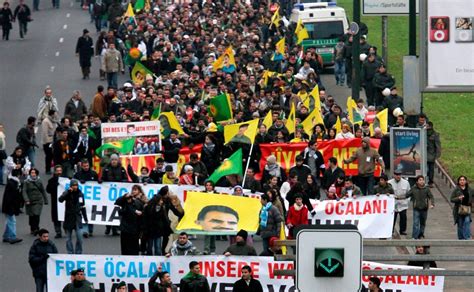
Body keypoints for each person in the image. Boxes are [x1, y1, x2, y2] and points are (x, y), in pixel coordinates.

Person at [58, 179, 88, 254]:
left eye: (76, 185)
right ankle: (70, 252)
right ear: (71, 186)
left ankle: (78, 252)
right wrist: (68, 192)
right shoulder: (67, 193)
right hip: (68, 218)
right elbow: (60, 199)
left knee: (79, 237)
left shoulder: (80, 194)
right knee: (68, 238)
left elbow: (82, 206)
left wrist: (85, 218)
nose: (75, 187)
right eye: (73, 185)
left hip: (77, 218)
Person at [115, 187, 146, 255]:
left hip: (135, 229)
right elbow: (117, 202)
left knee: (134, 249)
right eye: (133, 190)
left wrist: (141, 213)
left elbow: (144, 212)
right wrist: (124, 197)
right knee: (125, 248)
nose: (133, 192)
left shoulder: (141, 201)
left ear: (140, 192)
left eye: (135, 190)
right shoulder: (126, 201)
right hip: (125, 228)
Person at [23, 168, 48, 235]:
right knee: (32, 216)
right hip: (30, 201)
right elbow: (24, 191)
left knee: (36, 214)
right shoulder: (26, 182)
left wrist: (46, 200)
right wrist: (26, 200)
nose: (33, 174)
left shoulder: (39, 181)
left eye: (34, 173)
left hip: (38, 200)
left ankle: (36, 228)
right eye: (32, 173)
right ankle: (32, 228)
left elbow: (43, 190)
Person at [1, 170, 23, 244]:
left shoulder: (12, 182)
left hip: (9, 206)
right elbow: (11, 197)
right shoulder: (13, 184)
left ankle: (6, 236)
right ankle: (13, 237)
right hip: (10, 207)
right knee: (12, 221)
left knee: (9, 221)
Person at [388, 169, 410, 235]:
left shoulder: (406, 183)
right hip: (393, 204)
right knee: (392, 219)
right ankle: (390, 230)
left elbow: (409, 193)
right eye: (396, 175)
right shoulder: (389, 183)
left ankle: (402, 230)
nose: (398, 176)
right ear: (394, 175)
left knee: (403, 218)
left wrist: (407, 201)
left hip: (403, 203)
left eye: (399, 175)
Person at [450, 175, 472, 240]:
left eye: (463, 180)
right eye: (460, 180)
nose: (462, 181)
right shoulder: (456, 189)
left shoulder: (469, 189)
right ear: (459, 181)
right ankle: (461, 238)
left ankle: (467, 237)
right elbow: (451, 199)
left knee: (467, 222)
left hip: (467, 209)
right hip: (458, 209)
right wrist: (458, 198)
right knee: (460, 224)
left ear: (466, 181)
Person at [46, 165, 63, 238]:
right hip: (55, 202)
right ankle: (58, 231)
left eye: (60, 171)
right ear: (55, 171)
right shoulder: (51, 180)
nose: (59, 172)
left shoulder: (66, 179)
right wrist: (54, 186)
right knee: (56, 217)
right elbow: (48, 190)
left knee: (66, 216)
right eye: (57, 171)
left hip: (65, 201)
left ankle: (67, 229)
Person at [41, 109, 57, 174]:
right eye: (55, 114)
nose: (56, 115)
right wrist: (47, 142)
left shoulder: (53, 121)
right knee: (49, 156)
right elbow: (45, 133)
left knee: (54, 155)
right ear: (52, 114)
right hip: (48, 142)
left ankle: (55, 169)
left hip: (53, 141)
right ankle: (47, 169)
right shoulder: (46, 121)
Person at [426, 121, 441, 188]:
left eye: (427, 126)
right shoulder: (423, 133)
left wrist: (437, 155)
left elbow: (438, 146)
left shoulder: (435, 134)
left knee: (430, 169)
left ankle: (430, 181)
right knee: (429, 169)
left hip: (431, 155)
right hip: (427, 155)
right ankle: (429, 181)